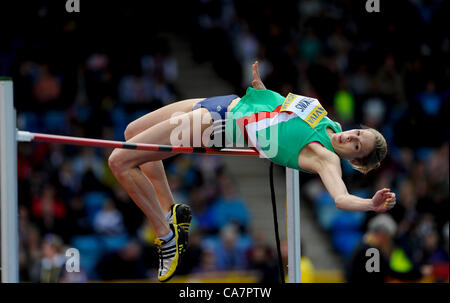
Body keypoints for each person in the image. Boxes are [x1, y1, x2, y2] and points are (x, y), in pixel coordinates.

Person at [108, 61, 396, 282]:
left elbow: (341, 198)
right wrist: (262, 89)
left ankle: (166, 237)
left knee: (120, 161)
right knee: (132, 131)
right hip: (227, 102)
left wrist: (370, 204)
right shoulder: (328, 121)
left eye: (357, 147)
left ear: (356, 161)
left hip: (218, 125)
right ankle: (172, 211)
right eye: (358, 133)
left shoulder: (325, 158)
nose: (351, 139)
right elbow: (281, 110)